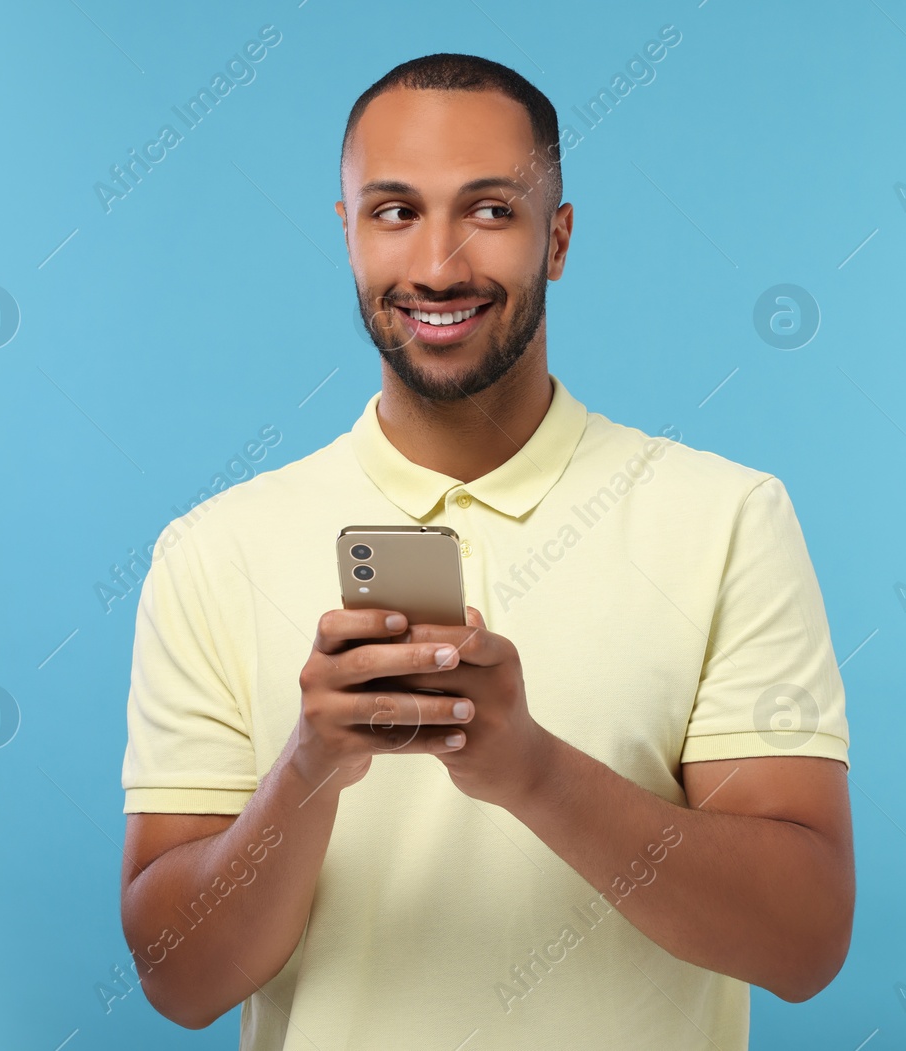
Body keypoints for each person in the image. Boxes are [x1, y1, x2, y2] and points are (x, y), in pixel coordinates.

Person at [118, 52, 853, 1050]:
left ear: (556, 238)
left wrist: (530, 770)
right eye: (393, 211)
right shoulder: (211, 551)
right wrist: (311, 767)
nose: (437, 265)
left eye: (491, 211)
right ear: (345, 234)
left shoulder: (727, 519)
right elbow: (179, 979)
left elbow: (803, 938)